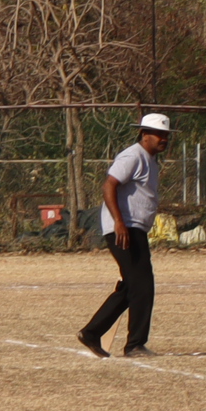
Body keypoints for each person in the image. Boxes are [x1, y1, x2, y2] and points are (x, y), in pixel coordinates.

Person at [79, 114, 171, 358]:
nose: (164, 139)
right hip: (124, 228)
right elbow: (109, 185)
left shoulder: (150, 160)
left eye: (166, 135)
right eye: (159, 134)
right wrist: (119, 222)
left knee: (132, 285)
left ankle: (91, 332)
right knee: (143, 285)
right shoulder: (133, 155)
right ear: (144, 134)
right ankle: (134, 345)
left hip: (134, 228)